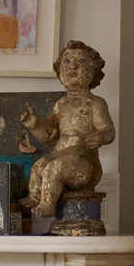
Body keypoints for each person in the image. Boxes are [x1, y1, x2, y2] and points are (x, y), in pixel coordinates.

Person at [18, 40, 115, 218]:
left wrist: (101, 137)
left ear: (94, 69)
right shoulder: (61, 104)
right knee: (39, 166)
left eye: (81, 61)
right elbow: (49, 135)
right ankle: (35, 196)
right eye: (67, 61)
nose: (72, 67)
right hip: (60, 155)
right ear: (59, 69)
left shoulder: (96, 103)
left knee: (53, 169)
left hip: (84, 162)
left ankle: (47, 205)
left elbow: (109, 131)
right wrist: (35, 125)